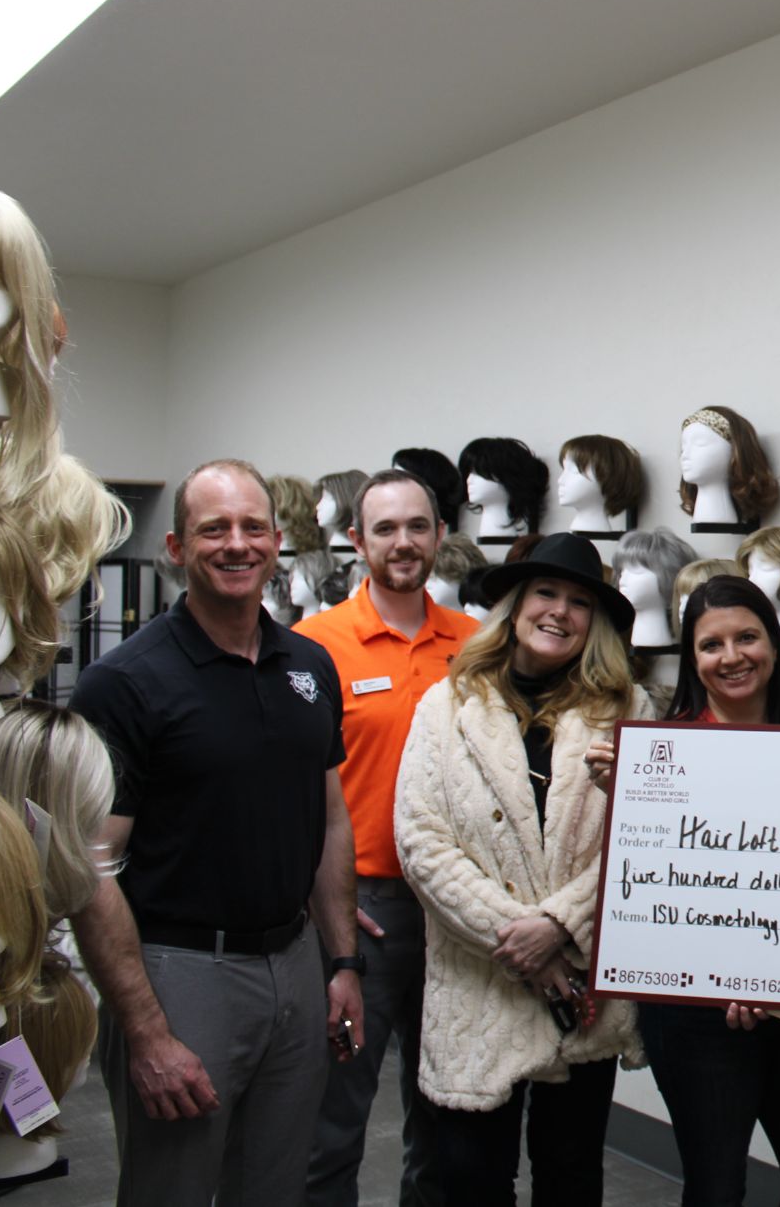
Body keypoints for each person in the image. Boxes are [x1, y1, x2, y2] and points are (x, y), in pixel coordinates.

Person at [67, 459, 363, 1207]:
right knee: (172, 1184)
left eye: (253, 527)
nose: (237, 544)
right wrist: (146, 1029)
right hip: (179, 971)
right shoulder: (126, 682)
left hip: (293, 963)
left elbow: (327, 818)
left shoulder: (310, 665)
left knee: (274, 1186)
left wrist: (343, 961)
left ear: (276, 540)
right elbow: (89, 868)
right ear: (175, 548)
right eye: (214, 529)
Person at [393, 532, 645, 1206]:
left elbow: (640, 845)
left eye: (578, 601)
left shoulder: (627, 710)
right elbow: (421, 842)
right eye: (545, 593)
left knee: (571, 1180)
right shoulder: (445, 706)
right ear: (514, 604)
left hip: (579, 993)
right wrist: (524, 940)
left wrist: (559, 925)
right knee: (469, 1180)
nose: (559, 611)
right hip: (481, 980)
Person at [299, 469, 480, 1207]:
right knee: (332, 1124)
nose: (402, 542)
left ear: (439, 536)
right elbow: (291, 791)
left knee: (443, 1118)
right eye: (385, 528)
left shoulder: (475, 646)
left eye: (417, 526)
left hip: (456, 913)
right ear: (357, 540)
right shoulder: (313, 647)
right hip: (363, 911)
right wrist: (329, 909)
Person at [619, 574, 780, 1206]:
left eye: (747, 637)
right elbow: (657, 901)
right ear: (691, 658)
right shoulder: (663, 757)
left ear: (774, 643)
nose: (732, 657)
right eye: (711, 645)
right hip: (695, 1017)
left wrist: (774, 977)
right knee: (716, 1185)